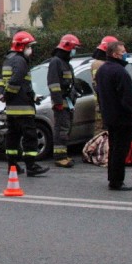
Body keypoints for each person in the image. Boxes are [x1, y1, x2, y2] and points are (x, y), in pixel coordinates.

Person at [0, 31, 50, 177]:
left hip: (12, 108)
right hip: (23, 108)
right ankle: (31, 166)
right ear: (21, 46)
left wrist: (1, 94)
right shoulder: (20, 61)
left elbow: (1, 79)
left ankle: (12, 165)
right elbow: (16, 81)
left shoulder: (7, 59)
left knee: (12, 136)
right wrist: (8, 94)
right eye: (29, 46)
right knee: (30, 136)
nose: (31, 50)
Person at [94, 41, 132, 191]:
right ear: (115, 54)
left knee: (114, 149)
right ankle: (117, 181)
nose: (126, 54)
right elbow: (127, 98)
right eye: (123, 52)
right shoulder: (120, 72)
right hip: (122, 118)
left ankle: (112, 178)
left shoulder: (102, 70)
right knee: (121, 150)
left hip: (109, 116)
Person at [47, 33, 82, 168]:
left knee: (66, 128)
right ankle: (60, 157)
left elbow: (69, 83)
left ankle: (63, 154)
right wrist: (58, 102)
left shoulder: (66, 63)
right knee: (61, 129)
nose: (75, 51)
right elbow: (53, 84)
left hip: (68, 101)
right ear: (67, 47)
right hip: (61, 102)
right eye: (74, 48)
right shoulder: (55, 62)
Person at [90, 35, 118, 134]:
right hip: (102, 103)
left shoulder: (99, 63)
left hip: (103, 103)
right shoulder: (100, 64)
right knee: (101, 132)